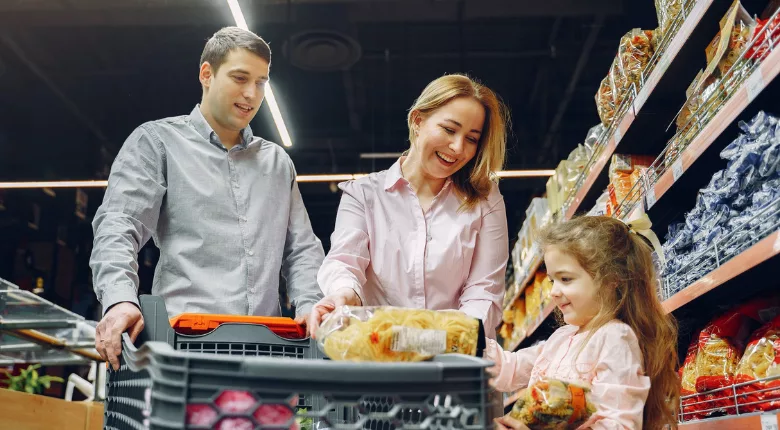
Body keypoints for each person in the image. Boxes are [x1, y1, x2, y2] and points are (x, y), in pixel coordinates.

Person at [90, 27, 324, 370]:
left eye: (261, 82)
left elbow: (301, 249)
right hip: (182, 351)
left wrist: (311, 305)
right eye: (240, 77)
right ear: (206, 74)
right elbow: (119, 225)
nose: (251, 93)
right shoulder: (157, 143)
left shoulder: (277, 163)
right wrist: (120, 300)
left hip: (267, 352)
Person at [308, 74, 510, 339]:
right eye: (449, 129)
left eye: (472, 139)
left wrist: (442, 339)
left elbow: (485, 290)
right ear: (418, 121)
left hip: (455, 359)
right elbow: (345, 261)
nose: (458, 147)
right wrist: (344, 294)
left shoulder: (485, 199)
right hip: (379, 353)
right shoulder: (364, 195)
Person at [486, 216, 679, 430]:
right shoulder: (561, 338)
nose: (553, 292)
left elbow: (618, 425)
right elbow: (509, 369)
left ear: (611, 279)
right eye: (552, 281)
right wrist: (461, 338)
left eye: (565, 279)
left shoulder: (615, 338)